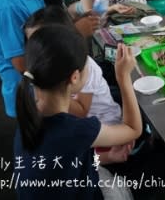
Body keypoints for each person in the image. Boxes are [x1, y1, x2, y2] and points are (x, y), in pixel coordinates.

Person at [14, 25, 141, 199]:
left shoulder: (27, 118)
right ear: (74, 77)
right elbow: (133, 129)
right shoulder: (75, 130)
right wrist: (123, 77)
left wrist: (107, 157)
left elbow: (64, 161)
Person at [23, 6, 134, 165]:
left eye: (45, 39)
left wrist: (49, 94)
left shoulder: (83, 67)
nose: (39, 49)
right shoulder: (66, 129)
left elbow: (82, 112)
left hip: (107, 129)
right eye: (32, 42)